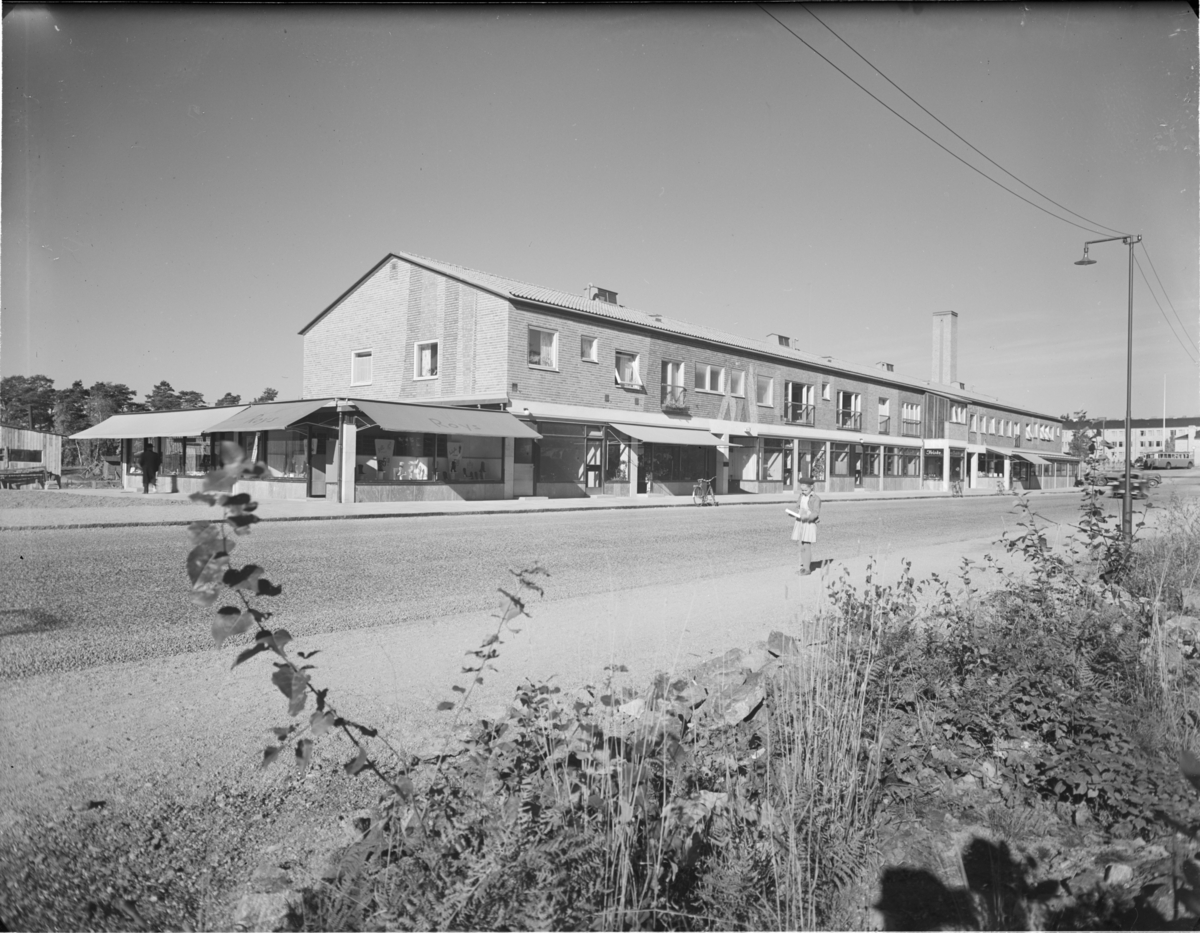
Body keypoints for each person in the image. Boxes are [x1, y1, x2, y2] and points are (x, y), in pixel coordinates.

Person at [791, 474, 821, 575]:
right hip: (800, 522)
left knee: (806, 545)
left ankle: (807, 569)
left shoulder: (815, 498)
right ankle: (804, 566)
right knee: (801, 545)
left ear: (811, 488)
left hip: (808, 523)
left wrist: (808, 517)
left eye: (805, 490)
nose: (803, 492)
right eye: (802, 490)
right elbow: (798, 507)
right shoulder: (801, 496)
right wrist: (793, 513)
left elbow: (816, 512)